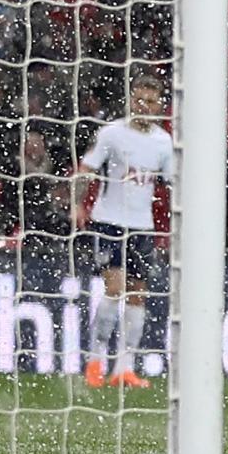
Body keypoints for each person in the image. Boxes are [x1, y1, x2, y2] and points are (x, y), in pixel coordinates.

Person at [71, 74, 178, 390]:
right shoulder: (112, 134)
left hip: (142, 226)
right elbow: (86, 170)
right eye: (139, 100)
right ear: (131, 100)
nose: (144, 106)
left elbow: (170, 181)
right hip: (109, 221)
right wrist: (77, 205)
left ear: (160, 106)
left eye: (151, 101)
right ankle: (95, 360)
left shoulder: (163, 142)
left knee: (137, 295)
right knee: (114, 289)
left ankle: (125, 368)